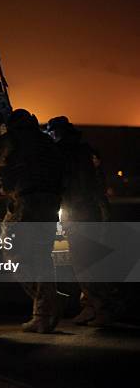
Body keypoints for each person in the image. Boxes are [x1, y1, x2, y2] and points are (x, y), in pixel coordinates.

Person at [0, 109, 64, 333]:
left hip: (27, 203)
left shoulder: (11, 141)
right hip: (51, 203)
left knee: (13, 254)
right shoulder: (47, 142)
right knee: (41, 256)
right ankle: (43, 312)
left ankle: (48, 304)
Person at [46, 116, 119, 326]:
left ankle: (102, 308)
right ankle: (90, 307)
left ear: (57, 132)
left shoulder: (65, 153)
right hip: (89, 210)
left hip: (80, 212)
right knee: (87, 261)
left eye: (52, 132)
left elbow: (72, 183)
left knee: (84, 262)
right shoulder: (85, 151)